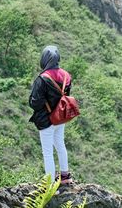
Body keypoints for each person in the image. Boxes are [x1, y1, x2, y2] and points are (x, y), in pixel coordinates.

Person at [29, 45, 72, 184]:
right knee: (60, 145)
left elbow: (34, 102)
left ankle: (50, 184)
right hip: (60, 117)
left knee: (47, 152)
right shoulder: (66, 76)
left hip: (46, 120)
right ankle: (65, 176)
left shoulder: (42, 78)